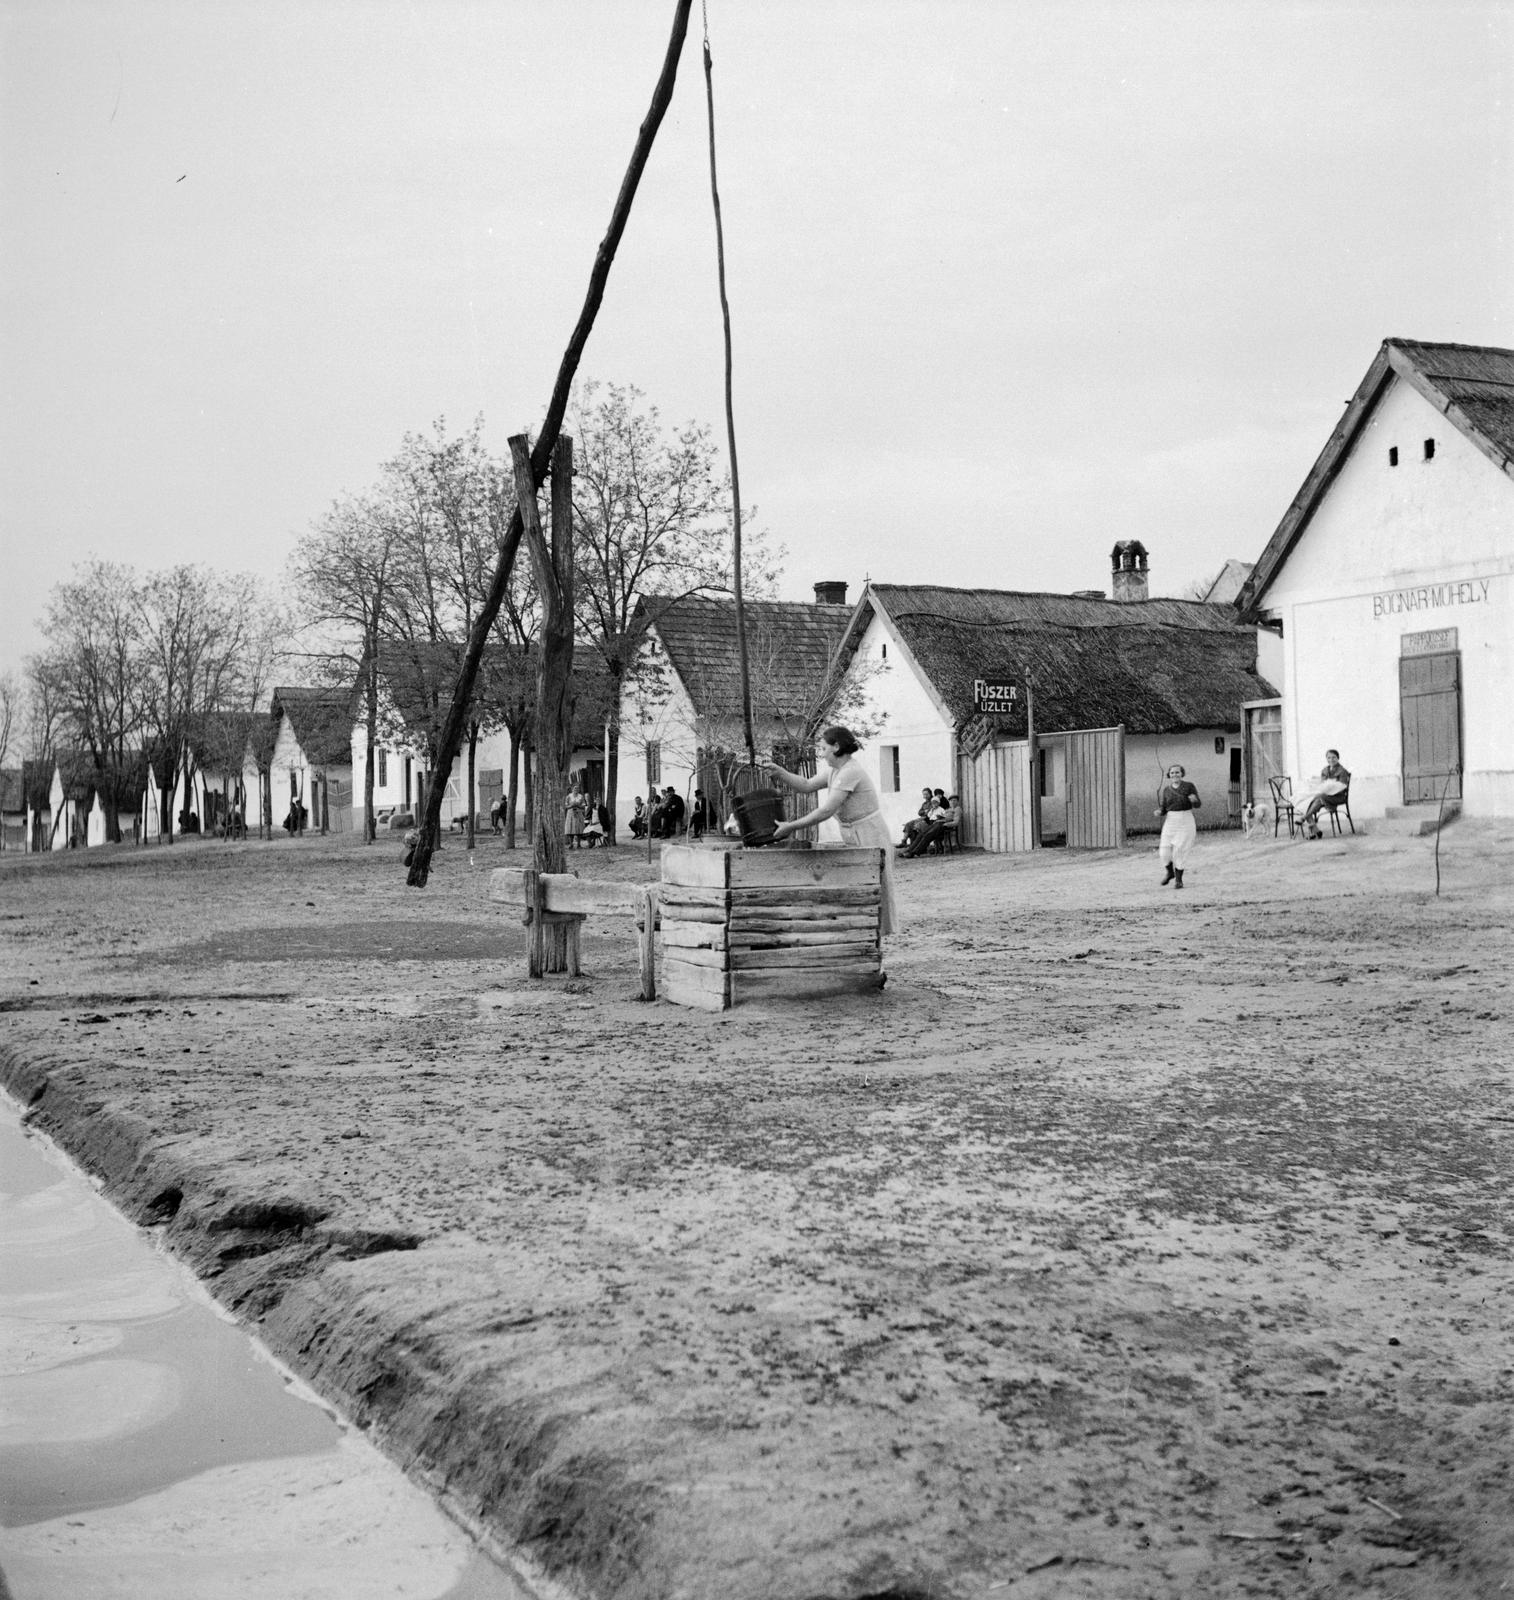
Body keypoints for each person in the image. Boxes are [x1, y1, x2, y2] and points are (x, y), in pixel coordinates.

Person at [761, 725, 899, 935]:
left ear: (836, 747)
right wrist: (781, 773)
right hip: (853, 833)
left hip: (869, 833)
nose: (822, 753)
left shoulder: (851, 771)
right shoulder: (835, 771)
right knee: (860, 888)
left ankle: (874, 944)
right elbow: (806, 784)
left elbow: (826, 811)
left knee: (875, 889)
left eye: (824, 748)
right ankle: (863, 939)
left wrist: (791, 826)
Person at [1155, 764, 1201, 888]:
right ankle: (1170, 872)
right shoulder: (1166, 790)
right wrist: (1160, 812)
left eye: (1177, 772)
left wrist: (1194, 800)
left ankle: (1179, 880)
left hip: (1185, 820)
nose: (1175, 775)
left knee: (1180, 850)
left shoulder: (1189, 786)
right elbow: (1164, 807)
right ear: (1169, 775)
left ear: (1182, 774)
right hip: (1171, 821)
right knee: (1164, 850)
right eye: (1172, 773)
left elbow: (1198, 804)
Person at [1298, 750, 1351, 839]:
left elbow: (1342, 787)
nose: (1331, 760)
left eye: (1334, 757)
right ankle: (1316, 831)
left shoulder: (1342, 771)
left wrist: (1330, 788)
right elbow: (1322, 784)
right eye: (1329, 758)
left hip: (1338, 797)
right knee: (1309, 801)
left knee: (1319, 797)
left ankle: (1305, 818)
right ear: (1326, 759)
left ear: (1338, 758)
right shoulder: (1325, 770)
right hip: (1324, 796)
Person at [563, 783, 586, 849]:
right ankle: (571, 844)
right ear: (572, 789)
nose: (576, 789)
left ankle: (579, 844)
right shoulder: (568, 796)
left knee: (579, 828)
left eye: (577, 788)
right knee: (570, 829)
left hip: (578, 813)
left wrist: (578, 805)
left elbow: (584, 805)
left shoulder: (581, 796)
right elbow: (566, 806)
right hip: (571, 813)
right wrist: (571, 805)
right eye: (575, 788)